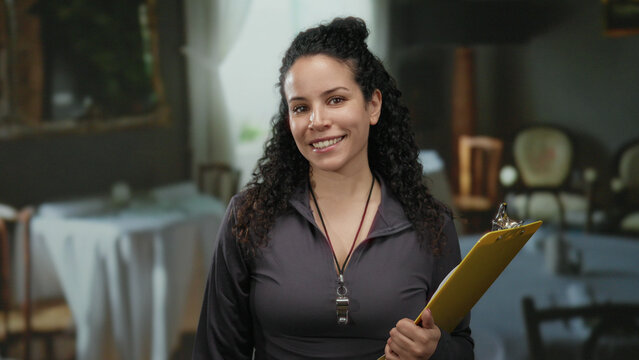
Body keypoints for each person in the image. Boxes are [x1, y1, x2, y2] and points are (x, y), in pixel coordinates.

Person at [193, 17, 474, 360]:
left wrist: (436, 351)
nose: (317, 121)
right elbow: (216, 352)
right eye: (301, 107)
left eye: (336, 100)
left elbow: (461, 347)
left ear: (373, 105)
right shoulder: (248, 217)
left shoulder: (431, 224)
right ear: (289, 121)